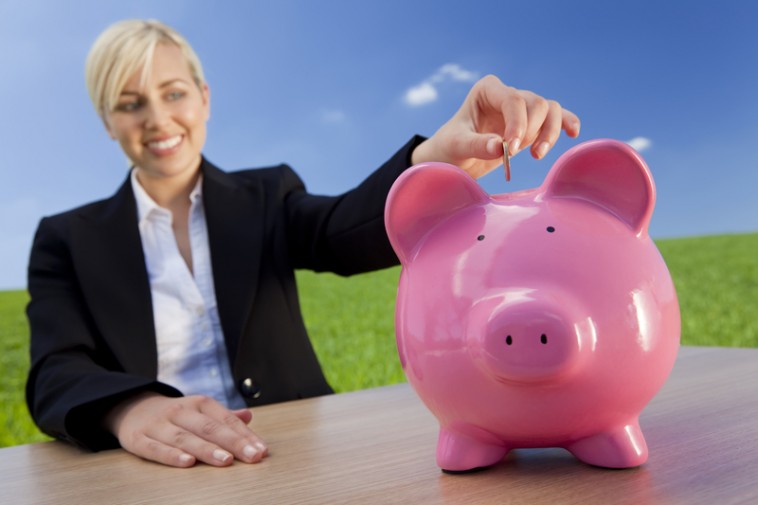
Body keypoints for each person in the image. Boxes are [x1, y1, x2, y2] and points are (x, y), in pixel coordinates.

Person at [25, 19, 580, 469]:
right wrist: (128, 408)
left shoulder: (266, 194)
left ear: (204, 97)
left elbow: (342, 234)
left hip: (292, 454)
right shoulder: (67, 238)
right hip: (151, 469)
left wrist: (432, 159)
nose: (158, 119)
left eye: (173, 93)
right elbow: (55, 369)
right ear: (106, 121)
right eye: (129, 104)